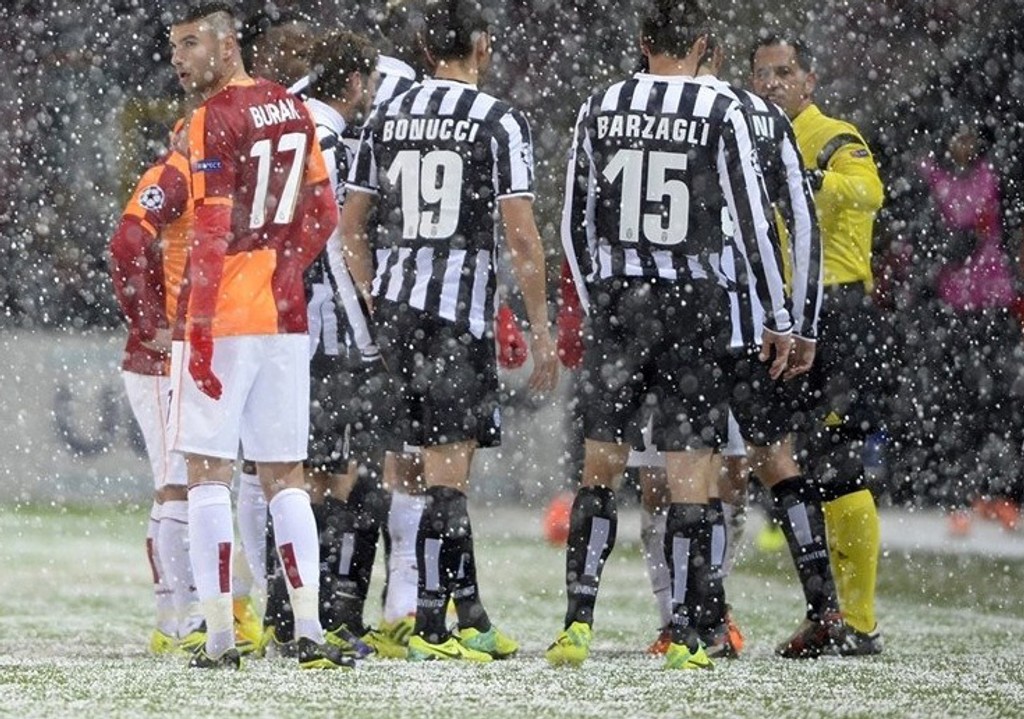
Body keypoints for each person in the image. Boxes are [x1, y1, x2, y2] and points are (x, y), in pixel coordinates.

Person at [549, 0, 791, 671]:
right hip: (693, 304)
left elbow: (572, 221)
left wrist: (598, 303)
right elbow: (753, 219)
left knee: (600, 469)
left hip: (622, 303)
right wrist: (778, 314)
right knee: (691, 475)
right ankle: (688, 629)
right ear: (704, 44)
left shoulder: (602, 103)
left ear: (642, 40)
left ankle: (577, 622)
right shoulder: (721, 109)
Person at [341, 0, 559, 662]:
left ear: (424, 51)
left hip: (396, 311)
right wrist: (541, 325)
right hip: (455, 318)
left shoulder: (385, 115)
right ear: (481, 48)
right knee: (447, 477)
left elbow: (351, 227)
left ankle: (440, 614)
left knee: (395, 467)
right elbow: (522, 237)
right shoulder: (498, 119)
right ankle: (433, 627)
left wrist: (373, 293)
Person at [165, 2, 350, 670]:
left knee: (207, 474)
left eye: (190, 43)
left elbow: (213, 229)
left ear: (226, 44)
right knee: (285, 476)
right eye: (174, 46)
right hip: (284, 313)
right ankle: (310, 630)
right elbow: (323, 211)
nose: (179, 59)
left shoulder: (211, 118)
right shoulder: (292, 108)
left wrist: (201, 327)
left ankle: (220, 638)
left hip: (223, 314)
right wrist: (285, 265)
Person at [751, 34, 886, 655]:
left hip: (836, 311)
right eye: (762, 74)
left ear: (809, 81)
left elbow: (870, 192)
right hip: (782, 313)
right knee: (777, 459)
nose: (772, 83)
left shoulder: (834, 136)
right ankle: (824, 612)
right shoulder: (758, 139)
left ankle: (857, 622)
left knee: (836, 464)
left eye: (784, 73)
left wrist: (812, 181)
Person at [109, 121, 205, 656]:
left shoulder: (195, 177)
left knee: (176, 484)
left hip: (176, 353)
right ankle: (184, 620)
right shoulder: (175, 174)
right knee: (179, 485)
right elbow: (127, 242)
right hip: (159, 360)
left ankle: (173, 616)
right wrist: (150, 323)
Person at [916, 112, 1022, 535]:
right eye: (957, 137)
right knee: (957, 406)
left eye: (970, 137)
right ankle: (960, 497)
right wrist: (951, 247)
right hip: (952, 306)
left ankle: (1000, 494)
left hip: (993, 302)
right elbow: (925, 238)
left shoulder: (993, 176)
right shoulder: (933, 179)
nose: (964, 145)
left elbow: (1006, 230)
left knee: (1000, 403)